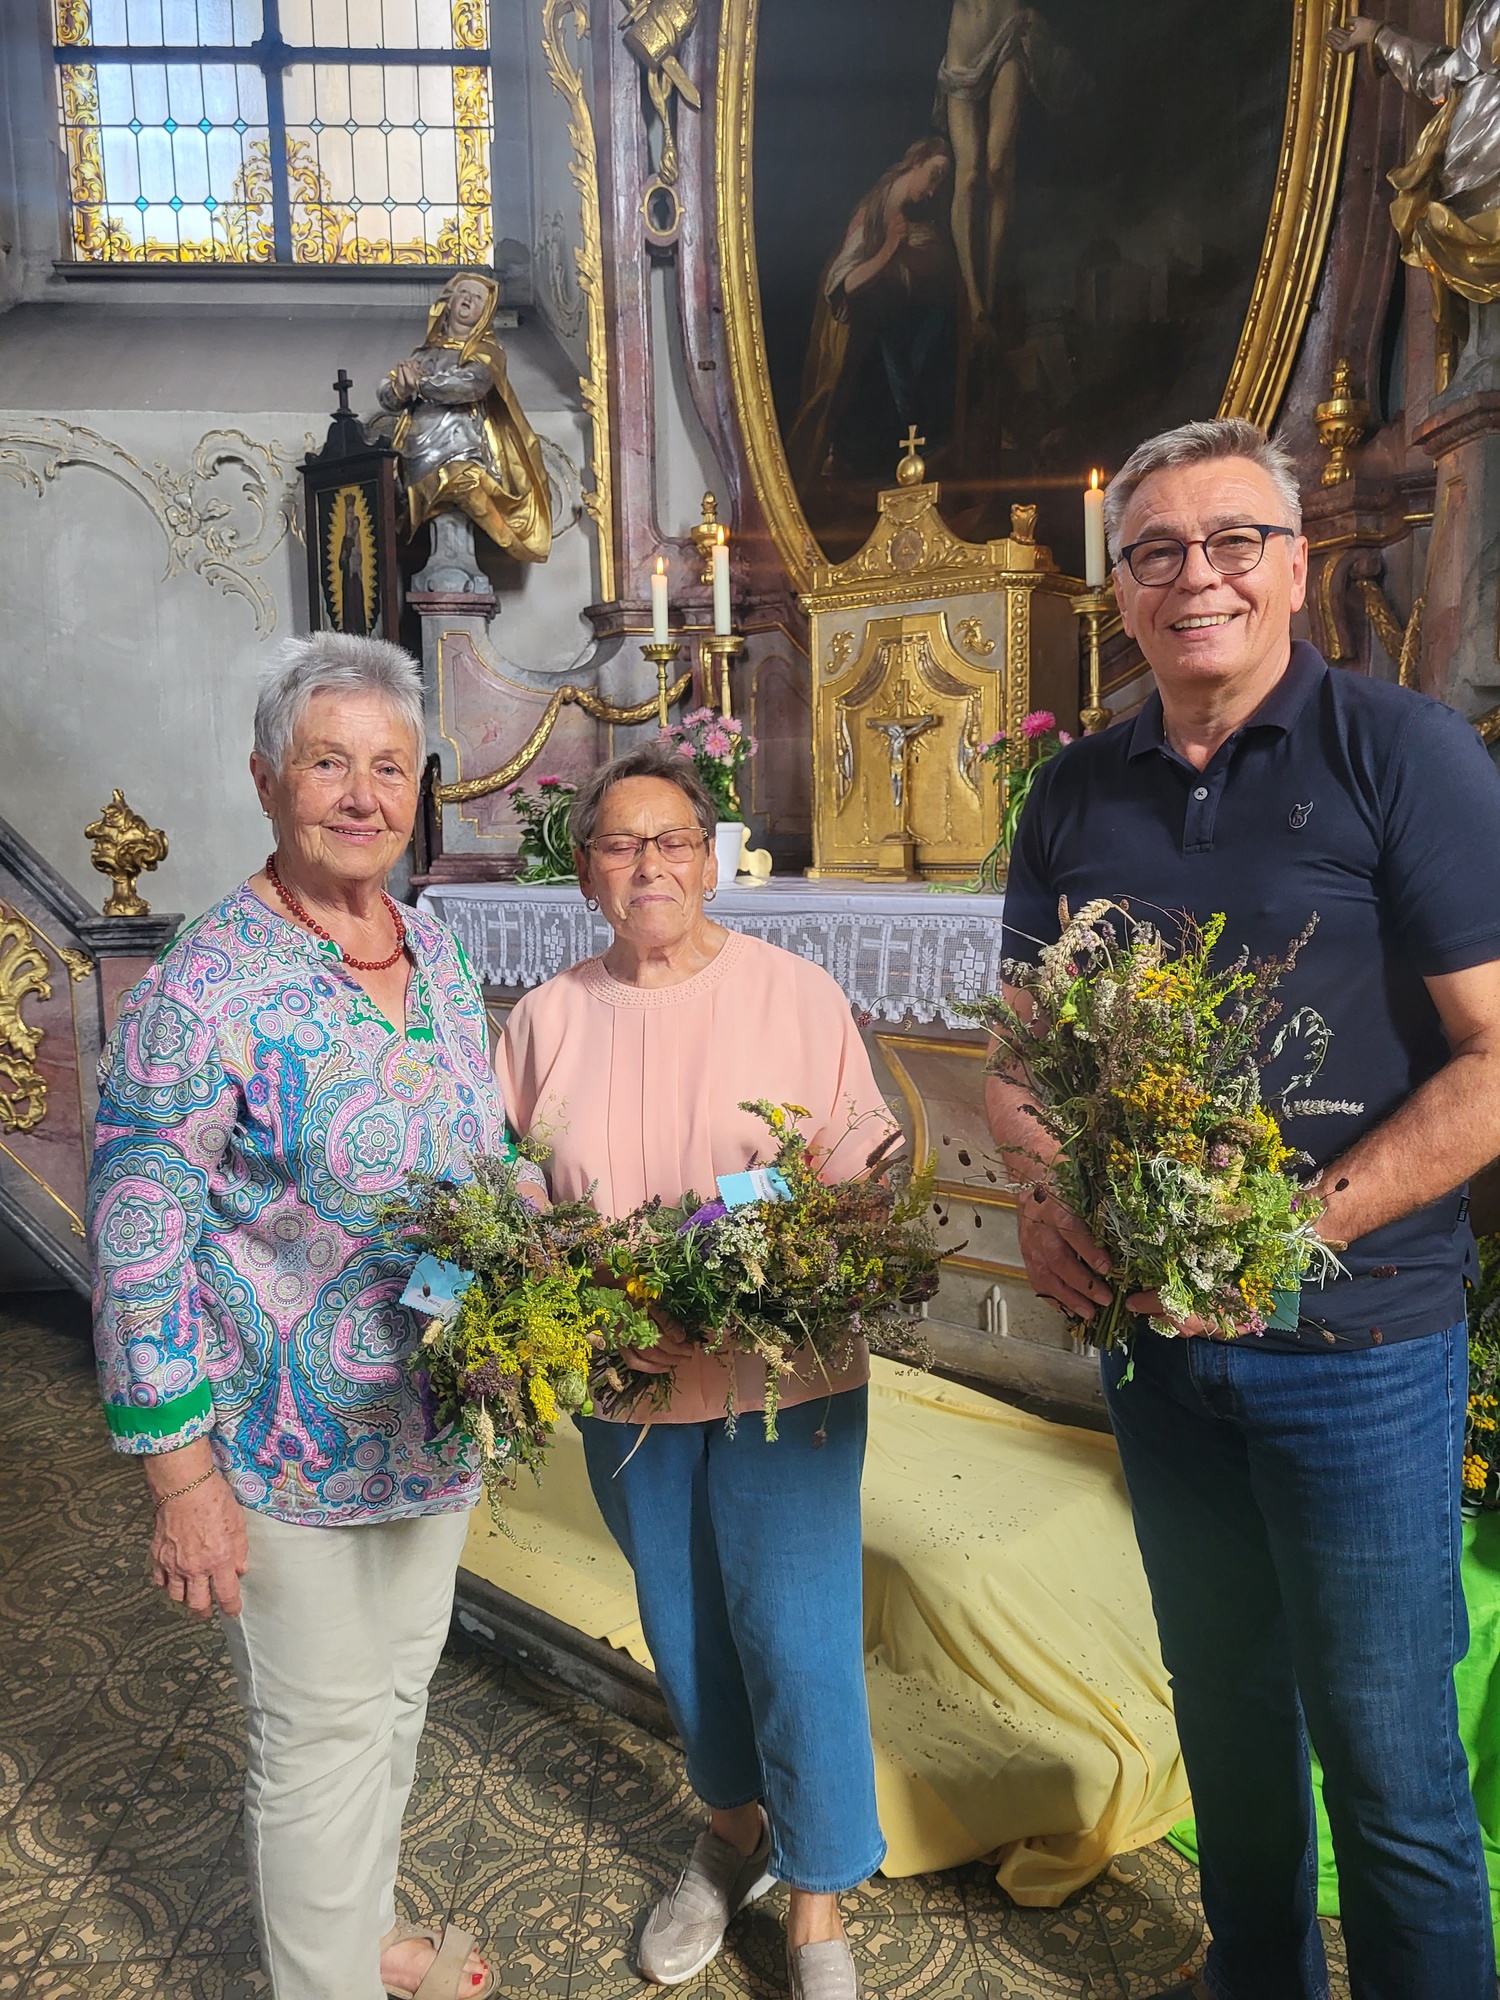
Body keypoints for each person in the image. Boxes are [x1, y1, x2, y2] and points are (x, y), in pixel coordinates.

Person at [986, 417, 1500, 2000]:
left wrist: (1289, 1233)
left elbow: (1494, 1058)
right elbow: (1019, 1058)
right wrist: (1045, 1192)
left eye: (1229, 543)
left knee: (1391, 1759)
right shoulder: (1072, 792)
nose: (1191, 577)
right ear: (1119, 593)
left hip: (1353, 1346)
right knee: (1223, 1709)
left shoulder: (1398, 750)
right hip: (1156, 1351)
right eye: (1154, 552)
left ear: (1295, 567)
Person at [88, 631, 544, 2000]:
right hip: (281, 1444)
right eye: (328, 762)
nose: (362, 795)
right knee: (319, 1736)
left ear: (421, 787)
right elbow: (135, 1235)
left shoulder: (443, 951)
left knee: (394, 1705)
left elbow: (485, 1166)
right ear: (266, 781)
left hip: (430, 1418)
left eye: (389, 767)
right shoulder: (202, 986)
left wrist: (516, 1306)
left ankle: (360, 1946)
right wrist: (181, 1477)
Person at [496, 742, 897, 2000]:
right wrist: (578, 1299)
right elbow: (501, 1181)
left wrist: (802, 1252)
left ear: (713, 859)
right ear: (585, 873)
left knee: (796, 1624)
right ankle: (730, 1830)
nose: (649, 864)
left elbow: (865, 1163)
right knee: (680, 1613)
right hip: (629, 1377)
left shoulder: (795, 991)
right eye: (620, 843)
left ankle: (818, 1897)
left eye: (673, 840)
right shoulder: (548, 1014)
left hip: (789, 1376)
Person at [375, 268, 552, 564]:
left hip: (462, 448)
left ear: (485, 312)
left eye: (477, 298)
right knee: (424, 507)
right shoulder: (423, 354)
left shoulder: (487, 351)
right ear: (449, 301)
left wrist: (422, 384)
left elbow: (471, 385)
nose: (468, 299)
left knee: (460, 485)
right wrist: (401, 387)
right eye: (463, 293)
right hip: (417, 452)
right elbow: (387, 395)